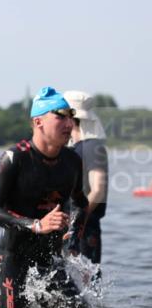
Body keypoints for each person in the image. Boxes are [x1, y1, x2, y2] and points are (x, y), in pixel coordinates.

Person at [0, 87, 94, 308]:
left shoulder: (72, 162)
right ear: (38, 121)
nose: (69, 124)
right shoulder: (15, 159)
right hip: (14, 261)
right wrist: (36, 225)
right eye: (61, 116)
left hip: (50, 262)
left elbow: (81, 203)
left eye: (71, 118)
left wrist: (74, 243)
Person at [63, 91, 109, 266]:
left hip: (84, 227)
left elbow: (97, 191)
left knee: (86, 284)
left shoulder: (92, 146)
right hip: (71, 225)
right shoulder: (75, 148)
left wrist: (77, 222)